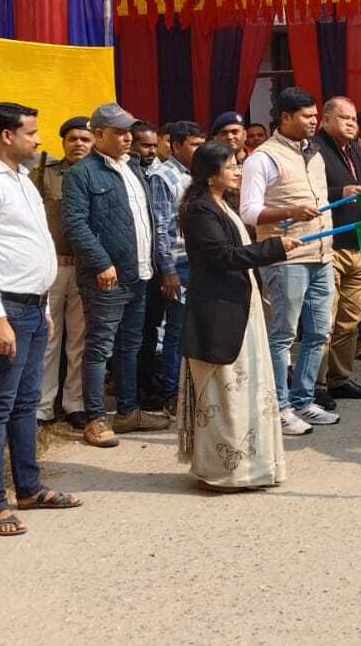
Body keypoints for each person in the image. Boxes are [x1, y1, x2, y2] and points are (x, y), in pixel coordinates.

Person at [0, 102, 82, 536]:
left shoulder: (23, 180)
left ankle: (29, 487)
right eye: (31, 132)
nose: (38, 140)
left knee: (26, 402)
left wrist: (43, 308)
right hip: (5, 307)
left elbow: (34, 243)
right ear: (6, 136)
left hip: (33, 305)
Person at [175, 142, 302, 491]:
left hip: (240, 304)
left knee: (249, 389)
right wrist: (274, 247)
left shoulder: (222, 204)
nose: (236, 171)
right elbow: (224, 256)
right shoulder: (200, 209)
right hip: (219, 310)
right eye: (230, 166)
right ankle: (226, 471)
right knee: (225, 392)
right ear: (210, 173)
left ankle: (255, 467)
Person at [61, 102, 174, 447]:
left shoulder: (134, 167)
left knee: (130, 345)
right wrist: (101, 262)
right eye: (120, 133)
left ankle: (127, 411)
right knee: (99, 348)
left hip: (139, 273)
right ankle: (95, 419)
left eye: (129, 132)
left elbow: (147, 221)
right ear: (99, 134)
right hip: (106, 277)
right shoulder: (82, 173)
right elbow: (75, 224)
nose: (128, 138)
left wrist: (157, 265)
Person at [238, 87, 340, 434]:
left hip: (322, 255)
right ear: (284, 117)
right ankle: (279, 407)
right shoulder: (262, 158)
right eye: (307, 116)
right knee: (282, 335)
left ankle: (303, 401)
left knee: (319, 332)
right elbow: (249, 212)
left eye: (315, 115)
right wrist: (290, 211)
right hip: (285, 259)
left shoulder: (315, 153)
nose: (314, 121)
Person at [311, 97, 361, 409]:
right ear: (325, 120)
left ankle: (339, 379)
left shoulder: (355, 149)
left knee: (350, 320)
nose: (351, 124)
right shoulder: (313, 150)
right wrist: (341, 192)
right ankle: (317, 384)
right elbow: (305, 195)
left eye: (354, 119)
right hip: (329, 246)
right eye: (344, 118)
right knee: (324, 320)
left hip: (357, 244)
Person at [31, 115, 93, 427]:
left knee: (79, 341)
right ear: (64, 142)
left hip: (86, 269)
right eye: (73, 139)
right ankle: (42, 406)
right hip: (52, 267)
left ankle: (75, 403)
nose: (78, 144)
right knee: (49, 338)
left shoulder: (99, 174)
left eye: (85, 139)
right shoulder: (45, 173)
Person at [133, 121, 191, 415]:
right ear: (176, 146)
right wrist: (168, 270)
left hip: (195, 263)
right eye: (193, 144)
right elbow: (161, 228)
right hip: (176, 265)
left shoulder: (195, 174)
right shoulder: (163, 177)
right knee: (173, 332)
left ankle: (185, 390)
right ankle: (171, 393)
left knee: (188, 331)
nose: (199, 150)